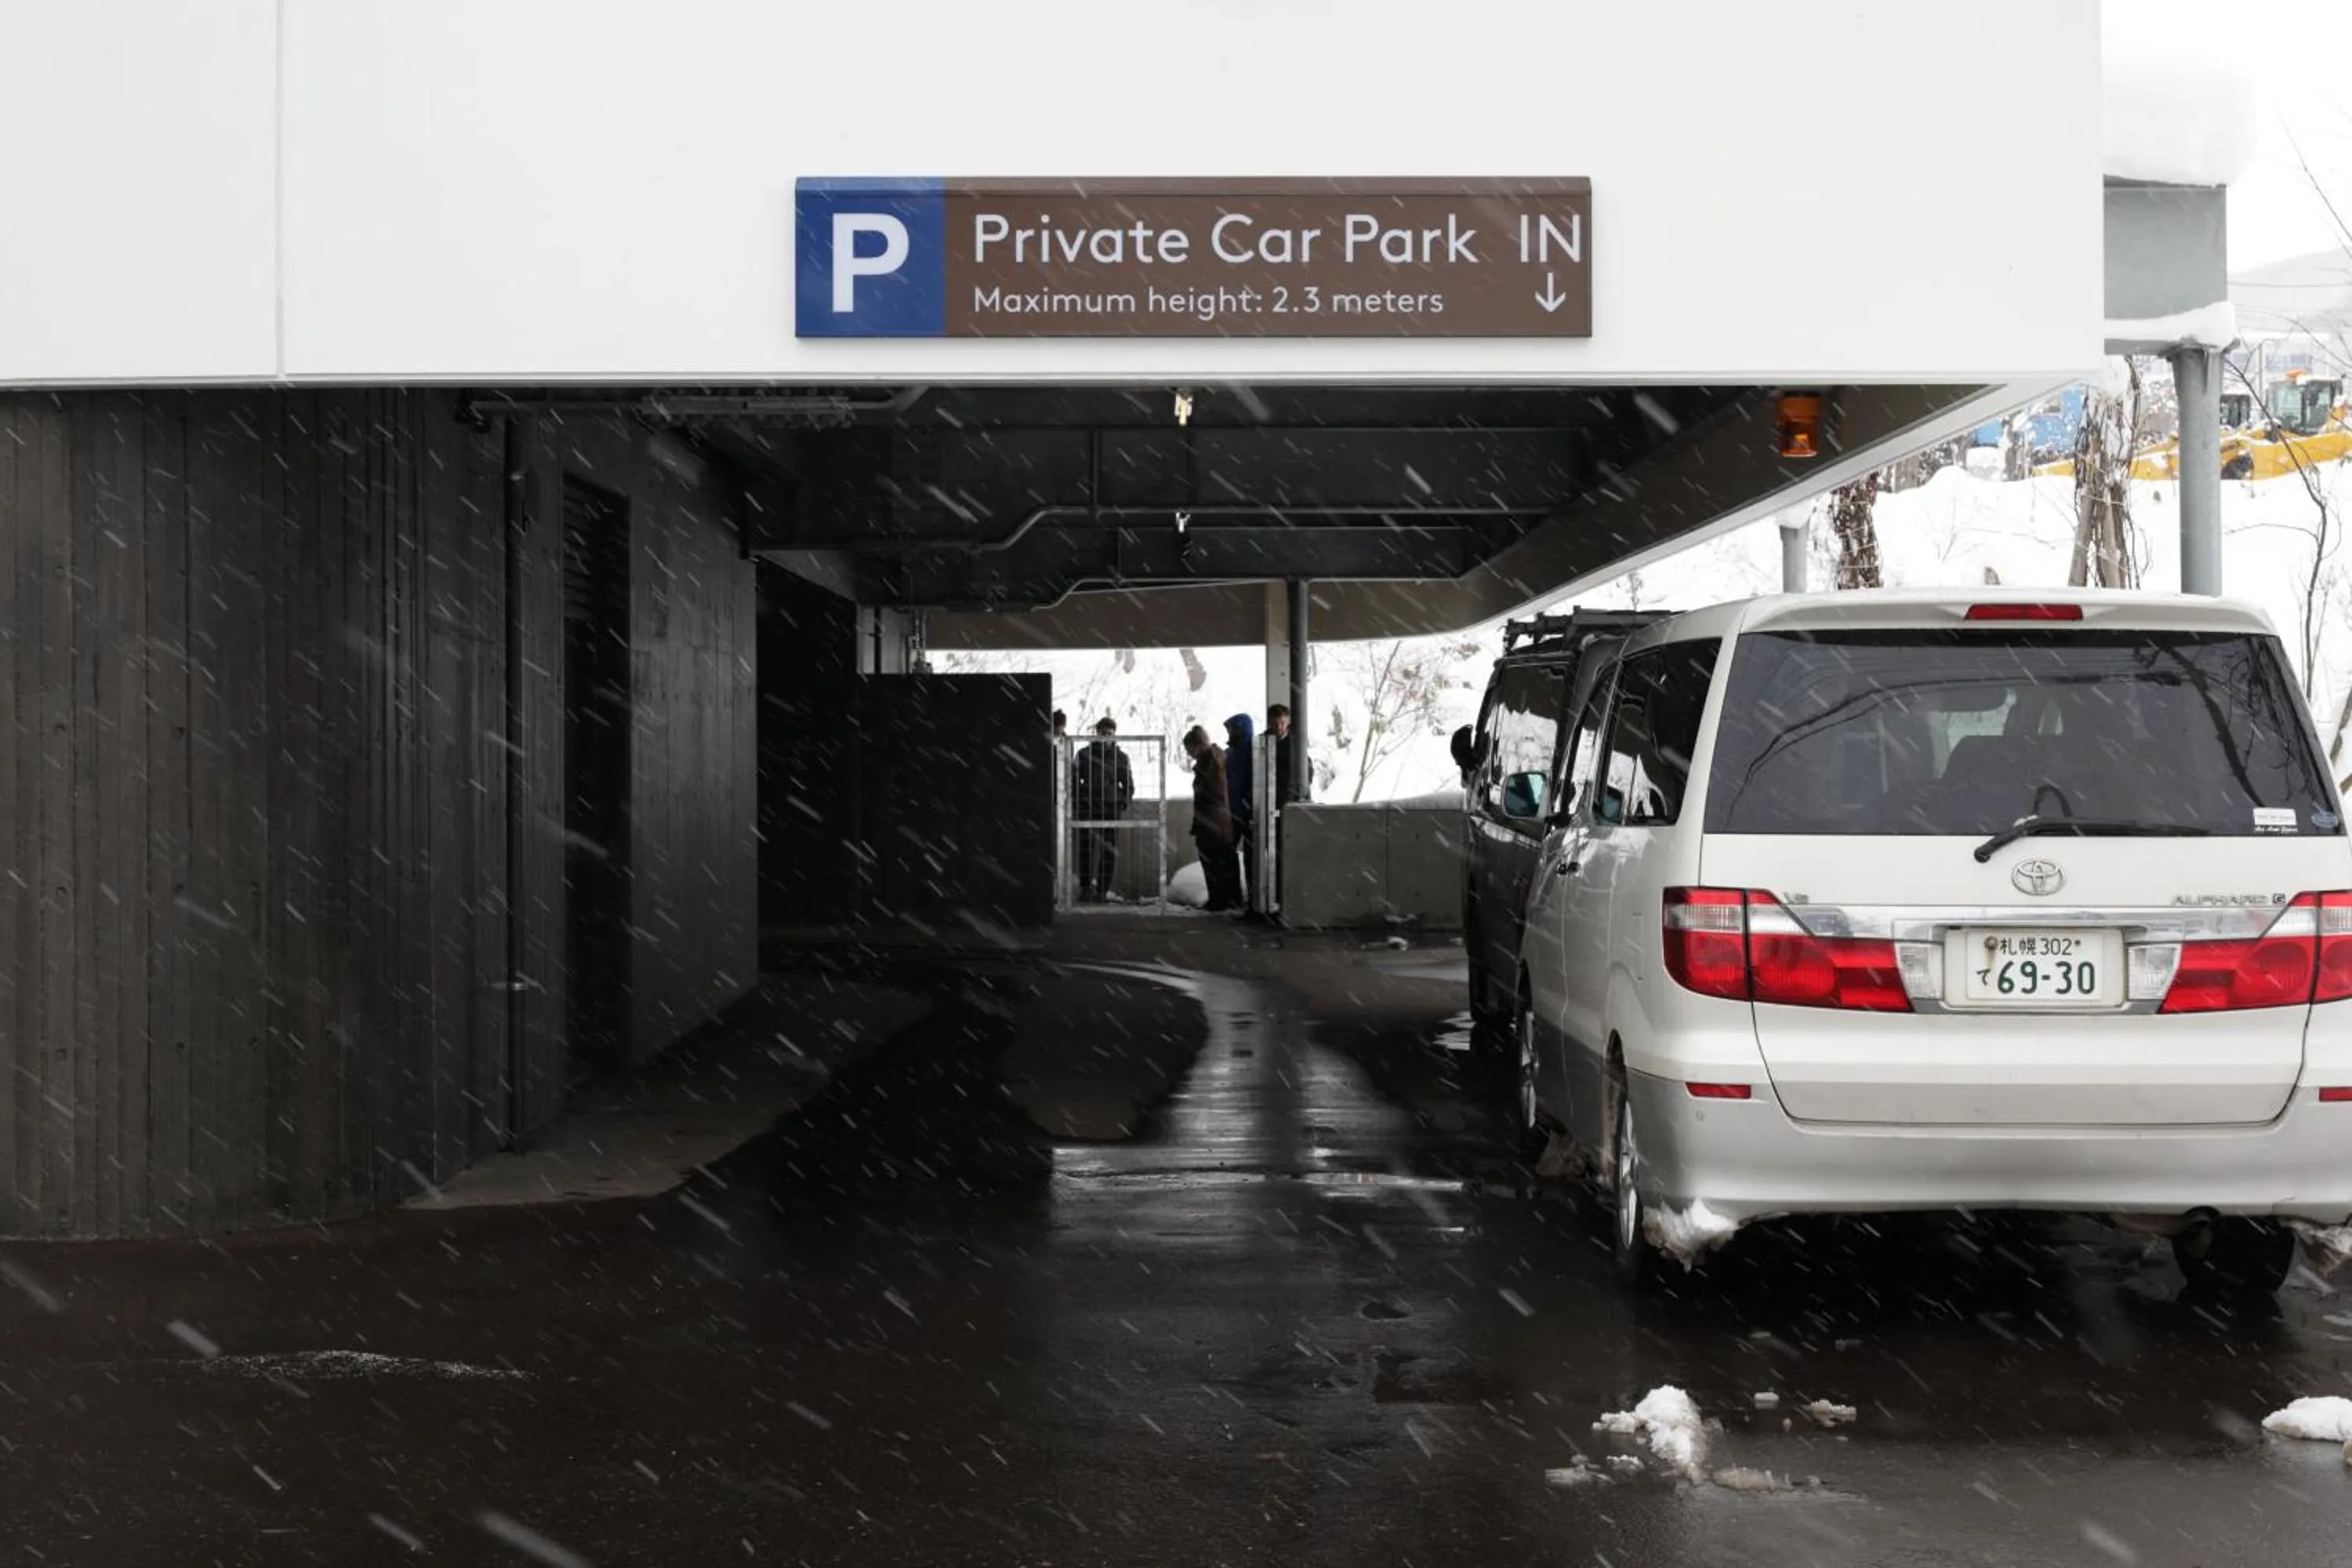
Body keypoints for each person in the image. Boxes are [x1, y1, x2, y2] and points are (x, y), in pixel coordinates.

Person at [1069, 717, 1134, 902]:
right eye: (1102, 733)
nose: (1105, 736)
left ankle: (1102, 891)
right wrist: (1080, 800)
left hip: (1110, 810)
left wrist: (1120, 803)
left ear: (1114, 735)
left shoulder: (1121, 757)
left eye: (1109, 733)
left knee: (1108, 851)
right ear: (1097, 733)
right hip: (1088, 808)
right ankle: (1086, 888)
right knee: (1086, 850)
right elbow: (1073, 780)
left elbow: (1129, 786)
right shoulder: (1084, 754)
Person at [1184, 724, 1240, 912]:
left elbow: (1210, 795)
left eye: (1189, 749)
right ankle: (1229, 899)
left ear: (1198, 746)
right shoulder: (1218, 758)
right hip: (1221, 822)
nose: (1189, 754)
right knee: (1225, 863)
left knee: (1213, 864)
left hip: (1211, 823)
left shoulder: (1208, 764)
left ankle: (1218, 900)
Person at [1224, 713, 1256, 913]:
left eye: (1232, 729)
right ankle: (1236, 896)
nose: (1229, 733)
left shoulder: (1252, 752)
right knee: (1230, 855)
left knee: (1250, 858)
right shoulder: (1232, 753)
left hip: (1247, 813)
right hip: (1236, 812)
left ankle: (1249, 898)